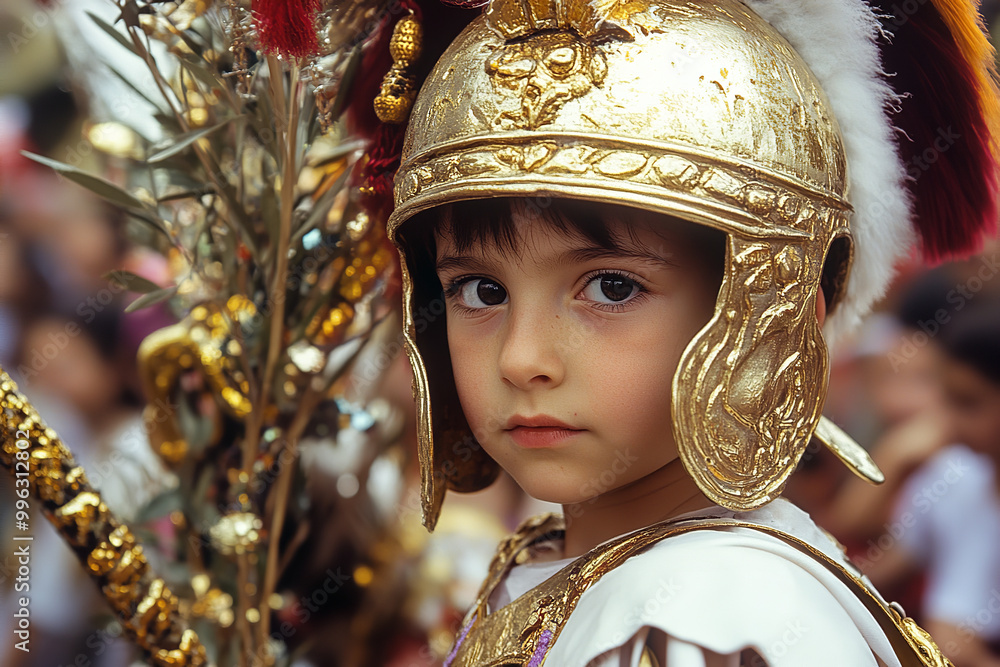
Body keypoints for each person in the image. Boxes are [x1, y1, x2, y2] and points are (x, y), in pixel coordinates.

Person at [368, 0, 1000, 663]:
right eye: (481, 291)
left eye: (612, 287)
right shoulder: (557, 559)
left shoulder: (715, 617)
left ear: (770, 318)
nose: (523, 358)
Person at [878, 304, 1000, 667]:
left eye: (969, 403)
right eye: (946, 398)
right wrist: (894, 459)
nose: (948, 420)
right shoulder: (953, 475)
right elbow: (880, 565)